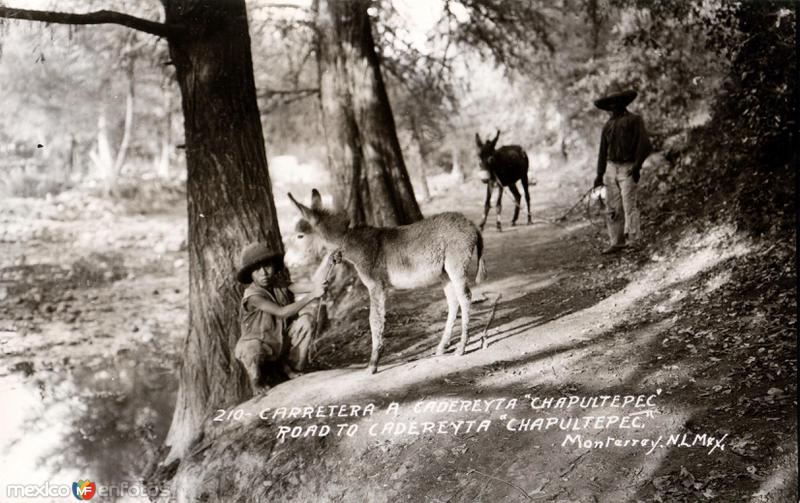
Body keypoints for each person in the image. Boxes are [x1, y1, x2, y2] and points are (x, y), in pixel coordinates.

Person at [234, 241, 327, 394]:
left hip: (278, 344)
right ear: (250, 274)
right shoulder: (252, 296)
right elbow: (282, 312)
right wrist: (313, 295)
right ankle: (257, 383)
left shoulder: (276, 283)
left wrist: (319, 285)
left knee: (306, 320)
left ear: (273, 266)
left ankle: (294, 367)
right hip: (260, 346)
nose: (263, 273)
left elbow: (297, 287)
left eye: (267, 266)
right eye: (257, 270)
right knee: (252, 349)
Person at [593, 88, 653, 254]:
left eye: (617, 103)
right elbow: (602, 151)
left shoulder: (634, 120)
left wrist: (637, 166)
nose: (614, 106)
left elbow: (645, 145)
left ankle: (634, 240)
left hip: (628, 167)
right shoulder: (608, 125)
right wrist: (599, 175)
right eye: (611, 104)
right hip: (611, 168)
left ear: (623, 104)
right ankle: (617, 242)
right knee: (612, 207)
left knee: (629, 205)